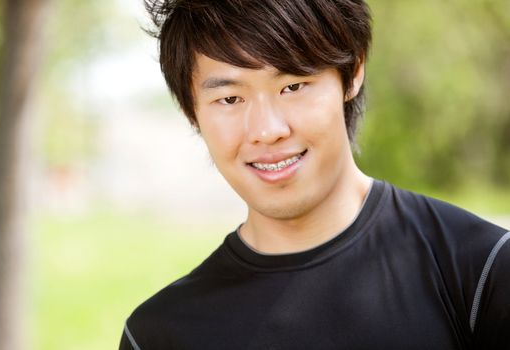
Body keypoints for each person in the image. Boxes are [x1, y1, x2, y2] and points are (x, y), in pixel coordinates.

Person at [119, 0, 510, 349]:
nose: (267, 129)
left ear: (352, 73)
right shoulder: (159, 334)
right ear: (192, 112)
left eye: (293, 86)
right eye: (230, 99)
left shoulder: (481, 272)